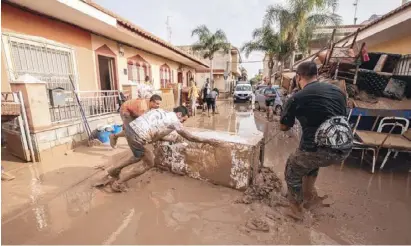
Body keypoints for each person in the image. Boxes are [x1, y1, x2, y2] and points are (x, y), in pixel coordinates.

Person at [279, 61, 353, 220]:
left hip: (317, 149)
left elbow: (284, 126)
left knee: (292, 167)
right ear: (317, 75)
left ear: (298, 77)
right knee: (310, 162)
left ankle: (295, 209)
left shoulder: (296, 97)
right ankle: (308, 196)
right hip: (344, 147)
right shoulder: (339, 92)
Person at [95, 106, 221, 192]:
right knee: (149, 163)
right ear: (179, 114)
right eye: (183, 119)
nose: (182, 122)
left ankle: (114, 170)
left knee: (137, 156)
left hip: (129, 129)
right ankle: (119, 183)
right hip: (138, 136)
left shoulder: (161, 111)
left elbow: (155, 132)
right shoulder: (174, 121)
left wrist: (164, 138)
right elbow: (190, 137)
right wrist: (208, 141)